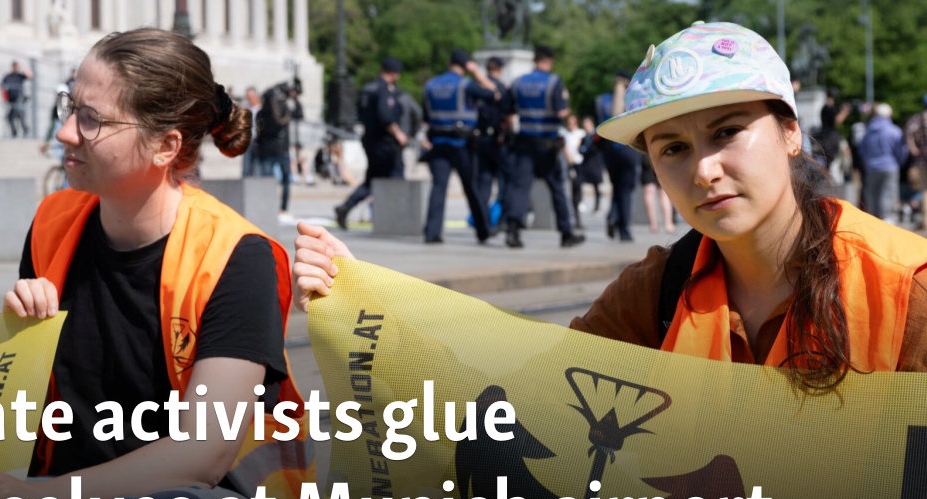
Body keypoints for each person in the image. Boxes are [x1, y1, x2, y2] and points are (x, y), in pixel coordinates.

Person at [293, 21, 927, 390]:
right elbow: (529, 394)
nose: (703, 170)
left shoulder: (909, 288)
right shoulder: (654, 291)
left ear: (791, 131)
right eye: (672, 147)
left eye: (728, 131)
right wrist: (368, 301)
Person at [0, 27, 311, 499]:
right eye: (70, 107)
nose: (66, 133)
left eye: (91, 120)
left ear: (166, 145)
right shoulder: (53, 222)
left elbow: (202, 455)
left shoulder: (236, 256)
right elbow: (12, 415)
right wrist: (18, 333)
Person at [504, 45, 585, 248]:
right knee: (558, 188)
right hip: (547, 145)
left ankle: (513, 231)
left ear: (534, 60)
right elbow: (560, 112)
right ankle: (566, 233)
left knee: (520, 188)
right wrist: (565, 106)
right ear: (549, 61)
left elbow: (506, 110)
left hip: (524, 143)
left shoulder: (518, 83)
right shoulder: (553, 82)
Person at [420, 49, 500, 244]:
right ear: (466, 65)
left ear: (449, 62)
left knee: (439, 187)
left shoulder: (431, 85)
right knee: (471, 188)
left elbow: (425, 116)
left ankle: (432, 232)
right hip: (462, 144)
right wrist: (477, 73)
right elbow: (494, 94)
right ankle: (483, 230)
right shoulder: (466, 84)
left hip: (438, 143)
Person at [335, 57, 407, 230]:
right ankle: (396, 217)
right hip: (385, 143)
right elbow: (386, 116)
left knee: (372, 181)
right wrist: (399, 134)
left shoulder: (367, 89)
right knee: (396, 178)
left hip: (370, 140)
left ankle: (346, 207)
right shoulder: (383, 90)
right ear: (394, 74)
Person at [596, 70, 641, 241]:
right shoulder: (631, 98)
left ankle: (613, 216)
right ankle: (624, 230)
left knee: (617, 187)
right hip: (627, 149)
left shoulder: (600, 100)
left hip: (609, 152)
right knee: (626, 190)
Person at [474, 55, 514, 234]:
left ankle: (482, 222)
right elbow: (508, 114)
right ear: (500, 69)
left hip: (480, 138)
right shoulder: (501, 89)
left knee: (484, 182)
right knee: (506, 182)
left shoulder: (476, 88)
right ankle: (503, 222)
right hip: (498, 140)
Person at [255, 80, 302, 218]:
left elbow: (299, 114)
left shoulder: (263, 113)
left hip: (274, 151)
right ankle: (280, 208)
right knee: (280, 181)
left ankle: (274, 207)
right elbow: (298, 114)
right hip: (277, 150)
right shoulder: (279, 111)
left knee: (273, 181)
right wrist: (294, 99)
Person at [857, 102, 908, 221]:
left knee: (872, 195)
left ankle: (873, 221)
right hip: (890, 166)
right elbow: (902, 150)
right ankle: (887, 220)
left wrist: (868, 162)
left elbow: (862, 150)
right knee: (887, 195)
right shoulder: (894, 130)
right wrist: (899, 163)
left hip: (871, 167)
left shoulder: (868, 131)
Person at [903, 94, 927, 230]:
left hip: (922, 158)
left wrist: (913, 148)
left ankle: (925, 219)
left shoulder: (917, 119)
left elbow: (908, 134)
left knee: (925, 189)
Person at [639, 153, 674, 233]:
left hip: (646, 156)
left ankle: (653, 224)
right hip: (660, 158)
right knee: (663, 193)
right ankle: (668, 224)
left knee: (650, 191)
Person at [1, 60, 33, 138]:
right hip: (11, 100)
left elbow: (30, 75)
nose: (15, 68)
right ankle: (14, 132)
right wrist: (4, 98)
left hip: (20, 99)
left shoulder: (20, 76)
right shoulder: (8, 76)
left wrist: (21, 66)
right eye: (14, 66)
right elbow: (2, 87)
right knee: (9, 117)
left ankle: (25, 131)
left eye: (16, 66)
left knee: (21, 116)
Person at [240, 85, 262, 177]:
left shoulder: (262, 110)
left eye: (249, 97)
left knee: (257, 169)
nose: (247, 99)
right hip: (248, 141)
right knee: (246, 169)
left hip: (259, 142)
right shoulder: (246, 110)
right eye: (246, 97)